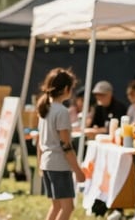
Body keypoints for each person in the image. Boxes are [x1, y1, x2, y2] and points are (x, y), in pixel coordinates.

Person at [37, 68, 85, 220]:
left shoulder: (45, 109)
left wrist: (40, 163)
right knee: (68, 207)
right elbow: (66, 145)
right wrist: (77, 170)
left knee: (57, 206)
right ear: (66, 89)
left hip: (47, 163)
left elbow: (39, 142)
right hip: (59, 165)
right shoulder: (61, 112)